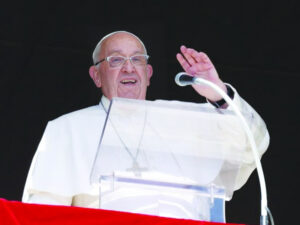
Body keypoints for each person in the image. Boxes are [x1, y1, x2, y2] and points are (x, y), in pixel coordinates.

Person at [22, 31, 269, 212]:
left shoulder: (186, 123)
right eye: (116, 60)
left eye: (137, 59)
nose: (129, 68)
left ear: (148, 74)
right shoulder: (68, 130)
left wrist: (217, 93)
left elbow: (252, 146)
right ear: (96, 75)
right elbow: (43, 213)